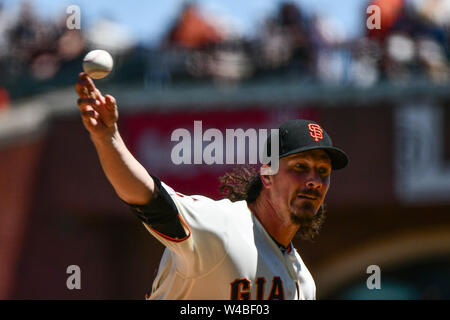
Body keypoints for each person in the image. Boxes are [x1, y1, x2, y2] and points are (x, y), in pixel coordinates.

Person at [75, 72, 349, 300]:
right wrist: (108, 139)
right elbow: (149, 198)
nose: (314, 180)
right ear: (267, 175)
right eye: (300, 167)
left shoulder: (304, 281)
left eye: (323, 171)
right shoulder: (222, 227)